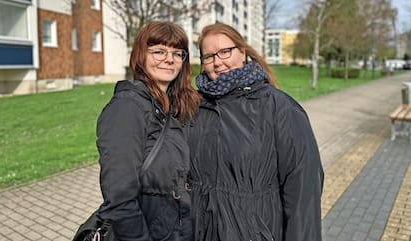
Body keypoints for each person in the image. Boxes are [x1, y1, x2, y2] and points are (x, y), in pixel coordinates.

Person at [188, 23, 324, 241]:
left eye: (225, 51)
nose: (217, 61)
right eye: (209, 56)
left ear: (242, 52)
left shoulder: (277, 107)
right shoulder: (195, 106)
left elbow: (303, 190)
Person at [96, 21, 200, 241]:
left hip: (179, 229)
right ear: (141, 55)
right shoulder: (128, 107)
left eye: (177, 53)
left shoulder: (176, 106)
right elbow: (119, 195)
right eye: (159, 51)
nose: (169, 59)